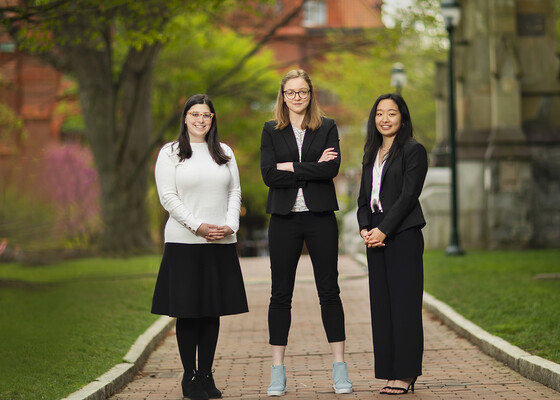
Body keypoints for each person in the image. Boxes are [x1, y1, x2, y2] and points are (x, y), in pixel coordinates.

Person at [260, 69, 352, 396]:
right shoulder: (270, 130)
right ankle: (277, 371)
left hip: (320, 217)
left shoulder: (326, 126)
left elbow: (332, 169)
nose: (296, 97)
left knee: (329, 291)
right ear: (282, 96)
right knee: (280, 294)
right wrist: (311, 169)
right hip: (284, 219)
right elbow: (269, 176)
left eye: (302, 92)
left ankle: (340, 368)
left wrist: (293, 168)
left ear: (311, 94)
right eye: (290, 92)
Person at [151, 94, 249, 400]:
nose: (200, 120)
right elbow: (168, 196)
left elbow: (235, 190)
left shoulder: (224, 152)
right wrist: (198, 226)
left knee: (211, 312)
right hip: (185, 243)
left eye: (206, 115)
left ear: (213, 118)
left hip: (221, 241)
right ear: (185, 118)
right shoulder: (170, 153)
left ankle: (206, 374)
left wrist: (231, 223)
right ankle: (189, 376)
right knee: (188, 311)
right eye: (194, 114)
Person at [356, 93, 428, 395]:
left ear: (402, 117)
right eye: (380, 114)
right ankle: (389, 371)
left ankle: (406, 373)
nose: (385, 119)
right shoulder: (371, 151)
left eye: (392, 113)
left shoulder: (414, 150)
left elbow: (408, 196)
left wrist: (384, 229)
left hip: (402, 235)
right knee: (382, 307)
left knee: (404, 306)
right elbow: (364, 197)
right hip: (375, 236)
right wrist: (365, 228)